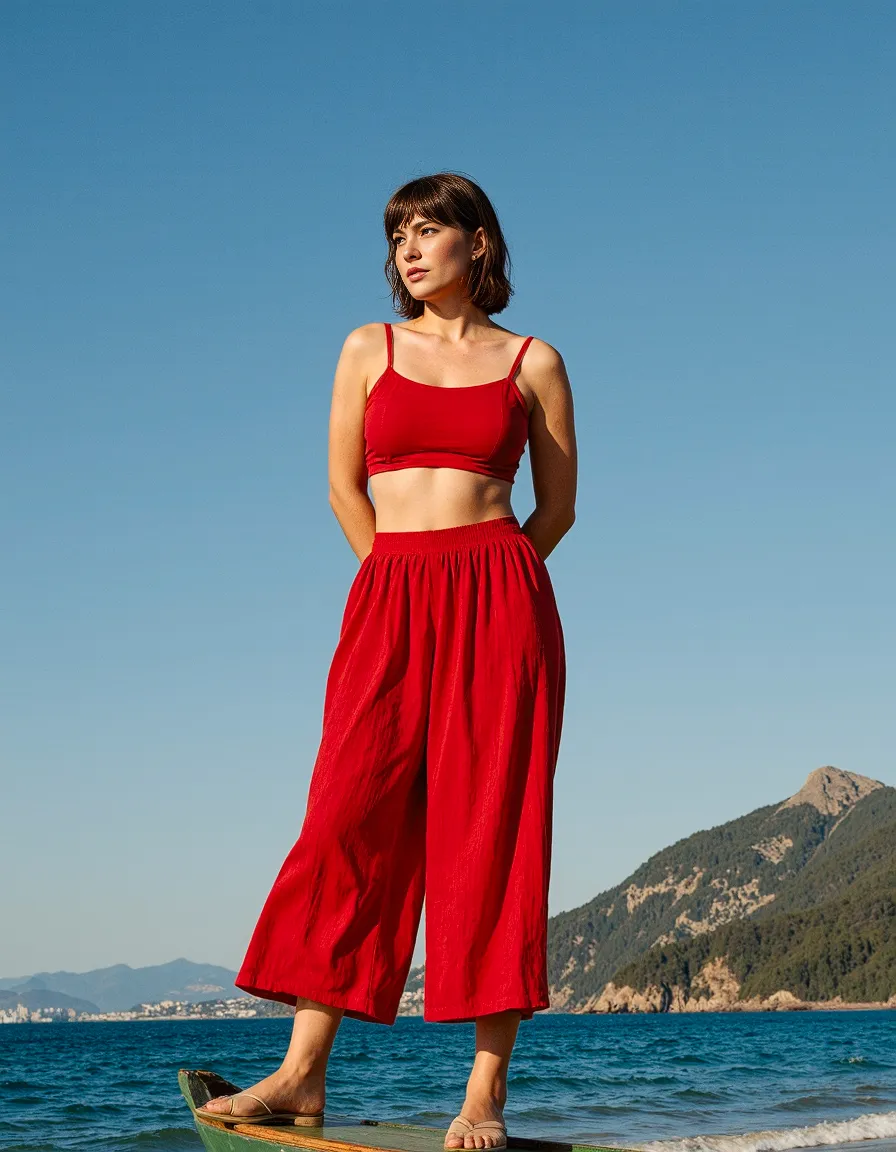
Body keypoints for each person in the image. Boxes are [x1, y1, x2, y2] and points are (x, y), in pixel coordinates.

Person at [198, 172, 577, 1150]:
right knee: (343, 818)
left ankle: (484, 1092)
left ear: (478, 245)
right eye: (397, 235)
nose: (409, 250)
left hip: (498, 603)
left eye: (428, 231)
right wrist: (397, 582)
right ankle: (298, 1073)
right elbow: (339, 484)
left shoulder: (532, 361)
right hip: (389, 593)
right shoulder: (367, 348)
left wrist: (489, 586)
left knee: (492, 833)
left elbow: (557, 508)